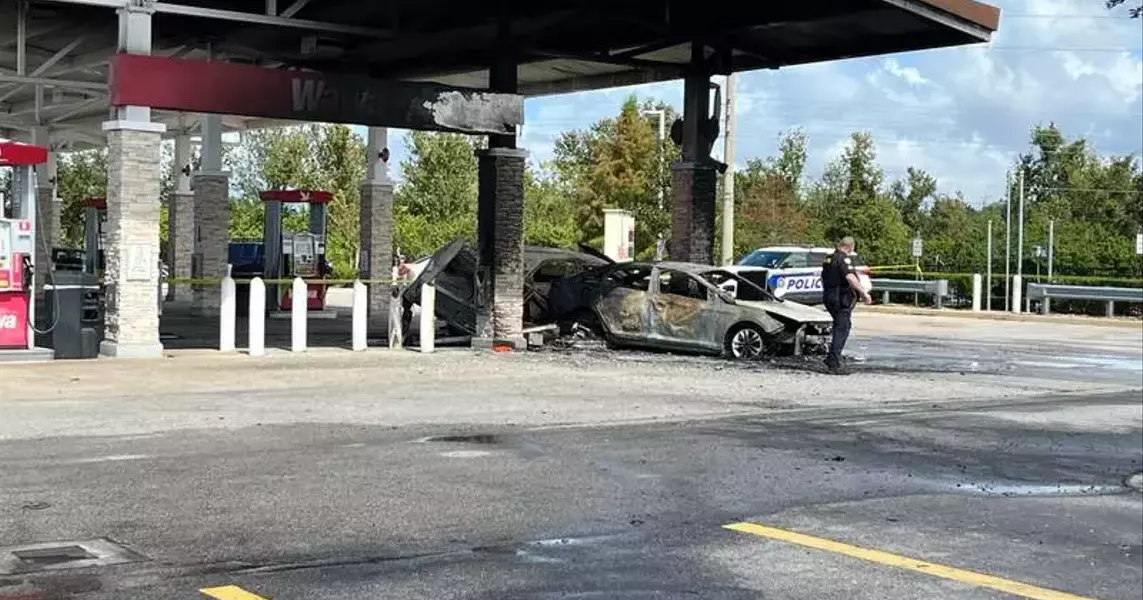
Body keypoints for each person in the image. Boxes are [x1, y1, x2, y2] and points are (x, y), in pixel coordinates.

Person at [820, 236, 872, 374]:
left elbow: (824, 277)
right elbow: (850, 277)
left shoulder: (828, 258)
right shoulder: (843, 259)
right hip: (840, 298)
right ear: (850, 247)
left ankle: (832, 357)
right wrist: (864, 293)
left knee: (841, 326)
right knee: (842, 328)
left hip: (829, 296)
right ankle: (833, 362)